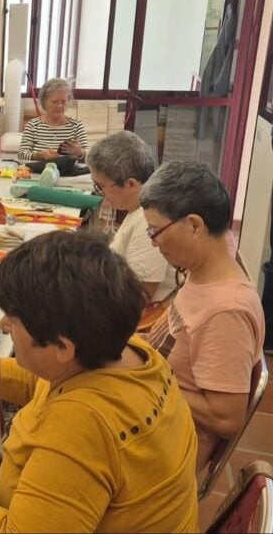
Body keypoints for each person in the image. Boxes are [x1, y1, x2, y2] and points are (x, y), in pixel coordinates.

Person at [0, 231, 199, 532]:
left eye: (13, 320)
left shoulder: (81, 427)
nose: (3, 326)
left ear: (62, 346)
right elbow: (39, 380)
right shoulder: (125, 350)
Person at [140, 160, 264, 471]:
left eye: (155, 231)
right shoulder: (207, 263)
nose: (153, 243)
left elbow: (226, 419)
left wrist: (145, 379)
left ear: (195, 225)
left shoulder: (226, 311)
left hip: (163, 454)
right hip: (150, 413)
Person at [87, 130, 175, 303]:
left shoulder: (148, 222)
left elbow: (140, 296)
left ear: (131, 184)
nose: (100, 193)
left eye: (101, 186)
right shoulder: (138, 209)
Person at [17, 77, 88, 161]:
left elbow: (90, 157)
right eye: (54, 102)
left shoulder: (77, 126)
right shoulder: (33, 125)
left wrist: (80, 153)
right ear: (44, 102)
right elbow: (21, 155)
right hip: (39, 169)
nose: (60, 106)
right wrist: (39, 155)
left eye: (64, 102)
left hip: (68, 170)